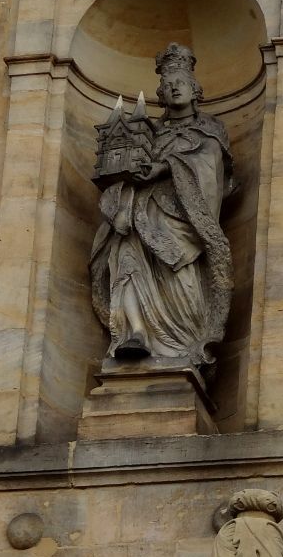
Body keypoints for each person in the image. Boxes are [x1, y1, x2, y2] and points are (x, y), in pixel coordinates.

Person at [90, 44, 233, 368]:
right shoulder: (150, 133)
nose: (174, 88)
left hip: (181, 220)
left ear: (195, 89)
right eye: (168, 85)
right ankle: (135, 332)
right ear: (161, 94)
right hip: (140, 214)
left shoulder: (210, 130)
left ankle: (182, 343)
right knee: (128, 259)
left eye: (180, 82)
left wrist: (167, 167)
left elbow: (211, 167)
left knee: (182, 279)